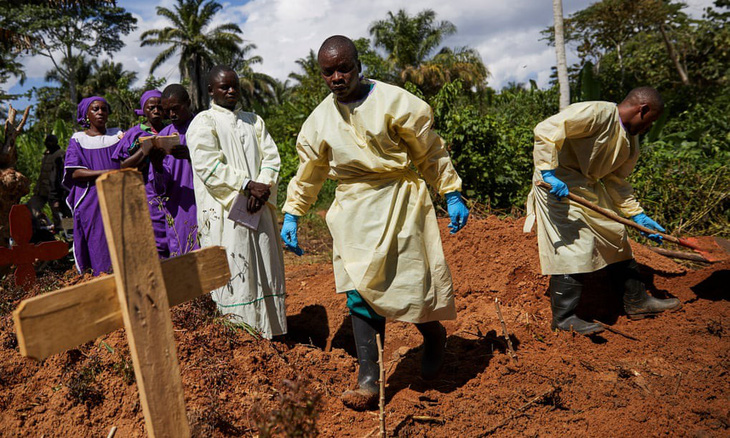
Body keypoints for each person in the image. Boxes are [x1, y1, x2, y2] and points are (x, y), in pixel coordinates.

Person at [280, 35, 470, 410]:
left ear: (358, 64)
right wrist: (292, 212)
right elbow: (309, 172)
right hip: (352, 208)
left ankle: (433, 336)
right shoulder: (319, 121)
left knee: (410, 284)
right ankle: (368, 380)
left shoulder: (395, 102)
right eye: (328, 72)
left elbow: (430, 151)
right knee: (358, 291)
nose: (337, 77)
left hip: (398, 200)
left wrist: (451, 191)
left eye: (344, 67)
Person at [524, 87, 681, 336]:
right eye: (650, 120)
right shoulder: (596, 113)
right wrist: (547, 172)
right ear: (643, 110)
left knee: (615, 234)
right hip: (555, 185)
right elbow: (546, 129)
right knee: (574, 244)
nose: (649, 127)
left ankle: (637, 301)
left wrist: (636, 214)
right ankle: (564, 319)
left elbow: (617, 180)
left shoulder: (631, 140)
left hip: (585, 187)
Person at [186, 65, 287, 339]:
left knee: (265, 265)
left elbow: (271, 158)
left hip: (259, 207)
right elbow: (207, 166)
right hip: (226, 212)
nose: (231, 91)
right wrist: (245, 187)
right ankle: (239, 335)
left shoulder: (254, 120)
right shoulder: (203, 122)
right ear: (211, 90)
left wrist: (262, 187)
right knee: (235, 268)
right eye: (224, 87)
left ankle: (272, 331)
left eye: (234, 86)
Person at [62, 96, 122, 275]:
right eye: (95, 109)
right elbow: (74, 173)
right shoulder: (79, 140)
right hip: (92, 200)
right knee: (99, 245)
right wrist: (106, 173)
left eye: (104, 109)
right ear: (86, 114)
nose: (101, 112)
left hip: (119, 198)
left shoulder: (117, 135)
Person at [112, 89, 169, 257]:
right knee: (155, 237)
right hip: (148, 193)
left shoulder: (171, 130)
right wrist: (145, 151)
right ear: (144, 110)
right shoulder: (134, 134)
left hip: (173, 190)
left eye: (160, 107)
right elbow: (122, 166)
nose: (156, 111)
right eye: (151, 107)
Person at [151, 84, 200, 257]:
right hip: (181, 209)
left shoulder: (203, 128)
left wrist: (191, 156)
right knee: (185, 260)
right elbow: (159, 188)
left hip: (206, 203)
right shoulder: (163, 136)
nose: (171, 114)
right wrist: (157, 166)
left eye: (175, 109)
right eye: (167, 111)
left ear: (188, 103)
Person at [32, 134, 71, 230]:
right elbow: (43, 174)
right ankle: (59, 232)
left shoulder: (61, 154)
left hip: (59, 191)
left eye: (50, 142)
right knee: (54, 214)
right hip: (45, 191)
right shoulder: (46, 155)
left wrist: (58, 194)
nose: (48, 144)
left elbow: (61, 175)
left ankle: (69, 234)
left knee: (64, 213)